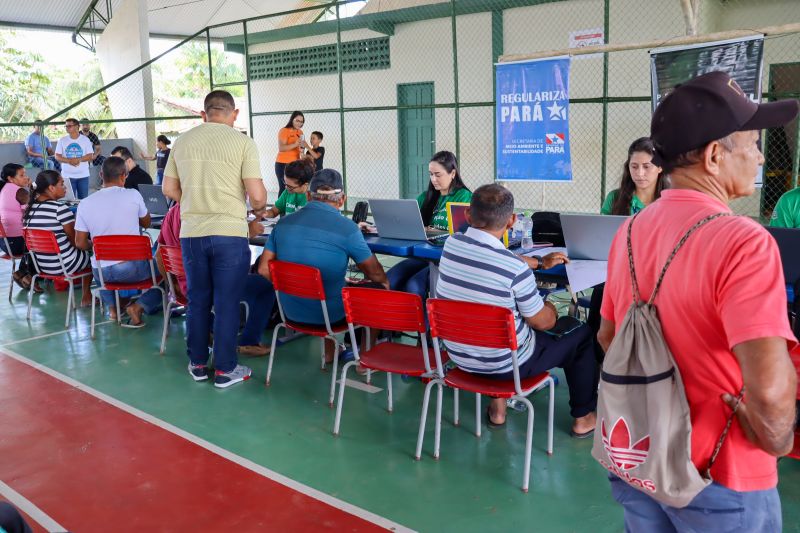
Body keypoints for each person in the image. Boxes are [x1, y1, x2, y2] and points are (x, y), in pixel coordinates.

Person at [598, 71, 799, 531]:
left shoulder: (629, 232)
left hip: (640, 454)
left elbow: (610, 338)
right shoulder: (744, 241)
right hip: (719, 471)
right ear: (714, 155)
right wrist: (778, 439)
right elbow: (768, 389)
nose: (760, 155)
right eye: (751, 142)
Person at [435, 183, 597, 433]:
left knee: (488, 319)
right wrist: (549, 306)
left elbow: (494, 257)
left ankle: (498, 410)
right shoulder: (514, 270)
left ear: (468, 215)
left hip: (460, 357)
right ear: (511, 221)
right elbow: (543, 323)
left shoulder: (451, 245)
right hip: (507, 365)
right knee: (580, 335)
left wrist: (538, 263)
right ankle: (583, 417)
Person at [162, 90, 268, 389]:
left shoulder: (182, 142)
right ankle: (225, 370)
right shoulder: (244, 143)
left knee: (197, 300)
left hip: (192, 233)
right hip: (229, 234)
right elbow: (258, 195)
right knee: (227, 302)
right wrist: (257, 210)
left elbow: (169, 190)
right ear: (234, 114)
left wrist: (194, 202)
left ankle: (196, 363)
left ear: (203, 114)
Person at [257, 168, 389, 362]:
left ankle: (331, 352)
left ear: (309, 195)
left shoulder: (283, 224)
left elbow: (262, 269)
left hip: (291, 312)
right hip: (331, 316)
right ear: (342, 199)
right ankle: (366, 359)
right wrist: (383, 282)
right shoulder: (348, 229)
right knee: (379, 288)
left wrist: (293, 288)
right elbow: (376, 275)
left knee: (330, 287)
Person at [158, 203, 275, 355]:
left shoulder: (172, 213)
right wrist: (246, 232)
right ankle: (250, 341)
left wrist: (173, 284)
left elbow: (159, 255)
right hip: (208, 289)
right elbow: (224, 262)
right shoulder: (209, 214)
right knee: (265, 284)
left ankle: (210, 329)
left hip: (184, 287)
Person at [74, 156, 163, 325]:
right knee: (167, 270)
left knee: (101, 266)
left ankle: (114, 309)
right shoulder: (133, 195)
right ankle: (139, 305)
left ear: (101, 174)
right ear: (124, 175)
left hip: (101, 272)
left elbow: (80, 243)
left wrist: (99, 246)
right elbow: (147, 222)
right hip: (133, 269)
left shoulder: (85, 203)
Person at [387, 150, 472, 302]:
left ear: (452, 173)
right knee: (390, 279)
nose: (433, 179)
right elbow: (408, 222)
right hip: (423, 255)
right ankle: (395, 322)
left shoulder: (464, 196)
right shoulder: (427, 196)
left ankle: (424, 325)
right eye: (431, 174)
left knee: (413, 286)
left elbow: (460, 232)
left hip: (446, 259)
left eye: (438, 175)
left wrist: (432, 230)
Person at [23, 170, 92, 306]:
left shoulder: (29, 209)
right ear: (51, 188)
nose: (65, 187)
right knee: (91, 257)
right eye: (62, 184)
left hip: (42, 266)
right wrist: (92, 245)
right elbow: (77, 243)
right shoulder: (59, 209)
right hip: (64, 265)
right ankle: (87, 296)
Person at [601, 137, 667, 216]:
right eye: (634, 167)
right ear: (628, 167)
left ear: (660, 167)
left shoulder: (670, 201)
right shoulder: (614, 198)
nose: (640, 173)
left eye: (646, 167)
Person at [0, 163, 35, 290]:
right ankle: (26, 274)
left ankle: (24, 272)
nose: (26, 177)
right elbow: (34, 211)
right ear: (11, 178)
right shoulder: (19, 191)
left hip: (5, 243)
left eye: (25, 174)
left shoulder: (4, 188)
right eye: (22, 175)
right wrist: (33, 188)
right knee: (44, 243)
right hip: (17, 243)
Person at [55, 117, 95, 199]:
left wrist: (78, 159)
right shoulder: (62, 140)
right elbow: (57, 156)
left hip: (83, 175)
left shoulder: (85, 140)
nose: (67, 128)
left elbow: (90, 155)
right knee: (69, 201)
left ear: (77, 126)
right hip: (67, 176)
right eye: (66, 126)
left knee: (83, 200)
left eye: (69, 126)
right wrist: (69, 161)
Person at [275, 111, 308, 196]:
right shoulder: (284, 131)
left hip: (295, 164)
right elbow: (281, 148)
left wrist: (302, 149)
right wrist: (295, 144)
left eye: (301, 122)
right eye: (297, 120)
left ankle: (292, 208)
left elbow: (301, 148)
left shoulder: (300, 132)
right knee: (284, 188)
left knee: (294, 188)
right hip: (283, 164)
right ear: (292, 119)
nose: (299, 123)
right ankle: (280, 209)